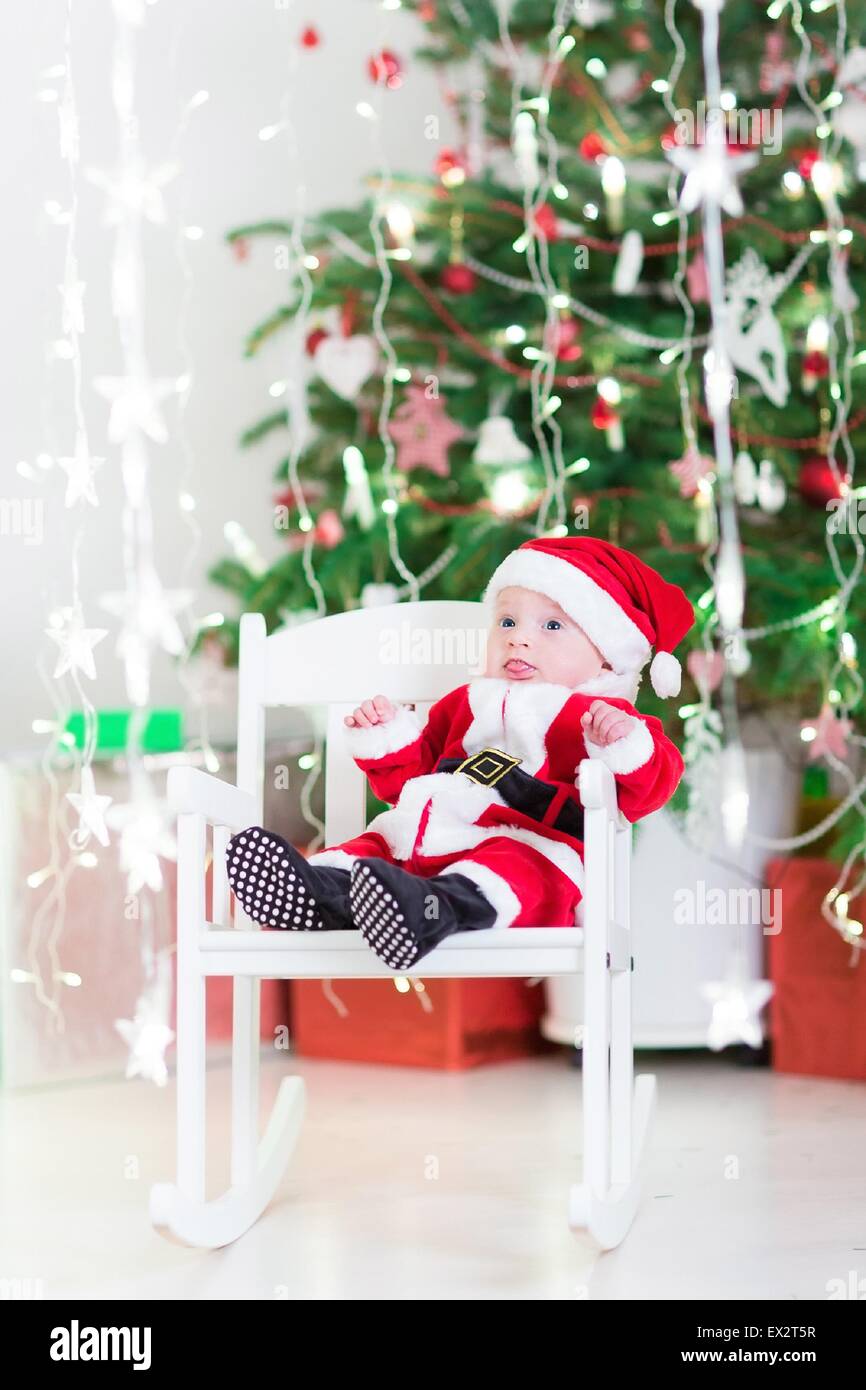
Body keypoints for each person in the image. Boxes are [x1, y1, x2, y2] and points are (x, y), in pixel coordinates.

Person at [225, 536, 694, 971]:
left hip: (532, 847)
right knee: (372, 849)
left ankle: (428, 911)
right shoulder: (463, 703)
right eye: (507, 622)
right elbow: (402, 783)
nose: (518, 638)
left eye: (552, 625)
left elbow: (648, 788)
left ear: (608, 656)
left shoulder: (600, 716)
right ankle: (314, 891)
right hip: (421, 837)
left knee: (511, 868)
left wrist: (623, 746)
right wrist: (387, 736)